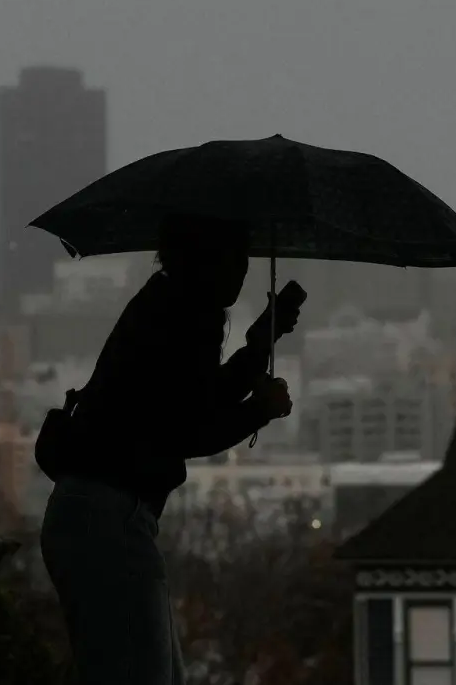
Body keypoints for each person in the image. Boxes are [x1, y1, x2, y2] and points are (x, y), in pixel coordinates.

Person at [40, 213, 300, 684]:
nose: (242, 274)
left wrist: (261, 342)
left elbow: (192, 401)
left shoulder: (165, 307)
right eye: (233, 261)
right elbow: (189, 430)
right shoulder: (185, 316)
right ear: (205, 261)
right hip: (109, 521)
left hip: (95, 517)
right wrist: (259, 410)